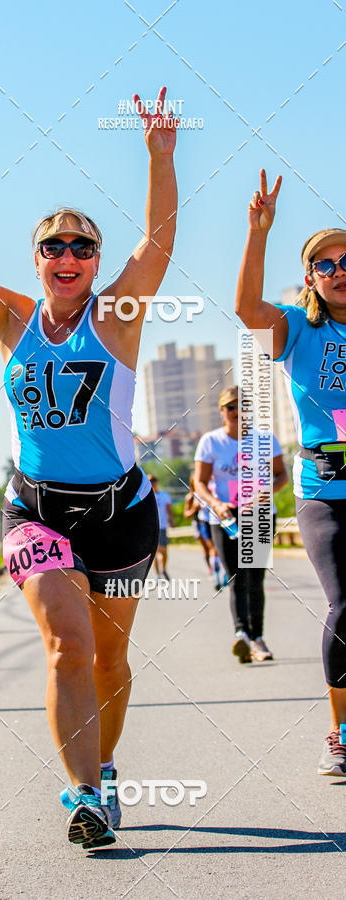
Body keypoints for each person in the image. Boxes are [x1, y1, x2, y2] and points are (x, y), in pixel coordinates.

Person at [0, 86, 177, 848]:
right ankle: (83, 796)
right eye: (54, 244)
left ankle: (105, 769)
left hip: (122, 509)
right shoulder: (10, 317)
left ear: (95, 262)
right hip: (38, 510)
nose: (68, 256)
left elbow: (159, 242)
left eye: (83, 245)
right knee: (68, 645)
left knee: (112, 657)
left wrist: (159, 156)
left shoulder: (117, 315)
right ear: (37, 259)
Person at [235, 169, 346, 776]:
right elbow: (247, 309)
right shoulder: (300, 325)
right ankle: (342, 732)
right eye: (324, 264)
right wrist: (258, 232)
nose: (337, 270)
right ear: (310, 277)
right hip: (327, 491)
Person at [194, 385, 288, 663]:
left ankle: (257, 637)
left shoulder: (265, 439)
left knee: (255, 577)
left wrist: (267, 492)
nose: (237, 412)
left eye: (242, 406)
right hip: (226, 518)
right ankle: (241, 635)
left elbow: (282, 475)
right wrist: (217, 504)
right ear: (222, 411)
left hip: (258, 514)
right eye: (231, 407)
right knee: (236, 577)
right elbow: (199, 482)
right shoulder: (211, 442)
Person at [184, 474, 223, 590]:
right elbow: (186, 514)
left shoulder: (213, 489)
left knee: (215, 549)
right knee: (210, 549)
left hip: (217, 522)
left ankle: (220, 572)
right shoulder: (192, 497)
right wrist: (194, 509)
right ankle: (214, 572)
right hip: (202, 523)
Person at [149, 475, 174, 580]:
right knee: (155, 552)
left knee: (164, 551)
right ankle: (158, 574)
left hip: (162, 526)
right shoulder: (145, 495)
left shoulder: (164, 495)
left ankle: (163, 569)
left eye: (154, 480)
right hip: (151, 528)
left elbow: (169, 509)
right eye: (150, 481)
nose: (152, 483)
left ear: (157, 482)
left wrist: (172, 521)